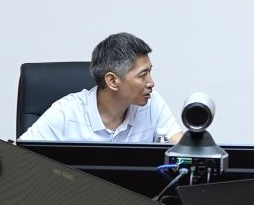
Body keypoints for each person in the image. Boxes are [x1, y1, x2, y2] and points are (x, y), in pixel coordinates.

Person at [21, 32, 182, 143]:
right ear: (112, 81)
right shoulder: (66, 113)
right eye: (142, 75)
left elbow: (184, 154)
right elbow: (17, 159)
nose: (151, 83)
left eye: (150, 72)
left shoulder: (152, 103)